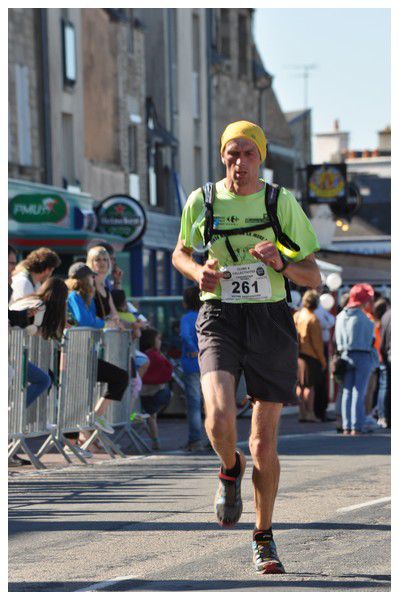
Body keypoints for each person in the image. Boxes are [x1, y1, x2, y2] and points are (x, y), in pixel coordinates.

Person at [172, 120, 321, 574]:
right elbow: (181, 251)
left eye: (248, 154)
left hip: (272, 319)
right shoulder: (203, 200)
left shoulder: (280, 202)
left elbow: (312, 275)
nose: (239, 163)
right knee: (217, 418)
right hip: (220, 315)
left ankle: (263, 537)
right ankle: (229, 467)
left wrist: (282, 262)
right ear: (222, 157)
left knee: (263, 442)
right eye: (232, 154)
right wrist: (199, 274)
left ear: (262, 157)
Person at [66, 262, 129, 451]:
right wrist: (104, 323)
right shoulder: (74, 296)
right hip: (74, 353)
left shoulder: (88, 298)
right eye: (91, 277)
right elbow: (84, 321)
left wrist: (104, 322)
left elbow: (92, 320)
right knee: (75, 397)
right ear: (83, 279)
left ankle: (95, 416)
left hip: (87, 352)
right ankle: (71, 443)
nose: (94, 280)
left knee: (119, 377)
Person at [334, 283, 377, 435]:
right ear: (364, 301)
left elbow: (335, 339)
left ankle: (346, 426)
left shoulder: (339, 317)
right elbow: (371, 340)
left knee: (346, 391)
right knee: (359, 392)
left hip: (344, 355)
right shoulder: (366, 320)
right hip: (362, 355)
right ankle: (356, 426)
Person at [294, 290, 326, 423]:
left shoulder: (297, 315)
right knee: (309, 386)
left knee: (299, 385)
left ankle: (302, 412)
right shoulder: (313, 319)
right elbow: (317, 344)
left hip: (297, 354)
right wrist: (323, 360)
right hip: (311, 355)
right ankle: (310, 413)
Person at [139, 328, 173, 450]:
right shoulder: (155, 355)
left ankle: (155, 439)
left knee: (151, 416)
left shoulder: (142, 355)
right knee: (152, 416)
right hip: (156, 392)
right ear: (152, 340)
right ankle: (155, 440)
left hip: (143, 392)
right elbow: (168, 370)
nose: (160, 341)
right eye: (158, 339)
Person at [180, 285, 203, 451]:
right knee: (210, 403)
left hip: (191, 362)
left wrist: (192, 350)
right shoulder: (205, 314)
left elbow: (185, 335)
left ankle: (195, 440)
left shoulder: (187, 318)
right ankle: (214, 439)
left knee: (194, 403)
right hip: (208, 362)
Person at [86, 246, 124, 328]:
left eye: (105, 259)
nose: (102, 262)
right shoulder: (88, 285)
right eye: (97, 259)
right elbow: (87, 314)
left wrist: (114, 320)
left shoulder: (105, 288)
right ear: (91, 262)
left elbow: (115, 314)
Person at [314, 300, 336, 421]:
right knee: (319, 382)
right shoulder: (314, 313)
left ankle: (320, 411)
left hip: (321, 347)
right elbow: (327, 322)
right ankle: (319, 411)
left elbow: (331, 320)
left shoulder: (319, 309)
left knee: (322, 381)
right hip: (318, 348)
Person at [379, 306, 391, 428]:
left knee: (387, 387)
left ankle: (386, 416)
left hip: (388, 354)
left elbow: (382, 340)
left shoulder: (386, 315)